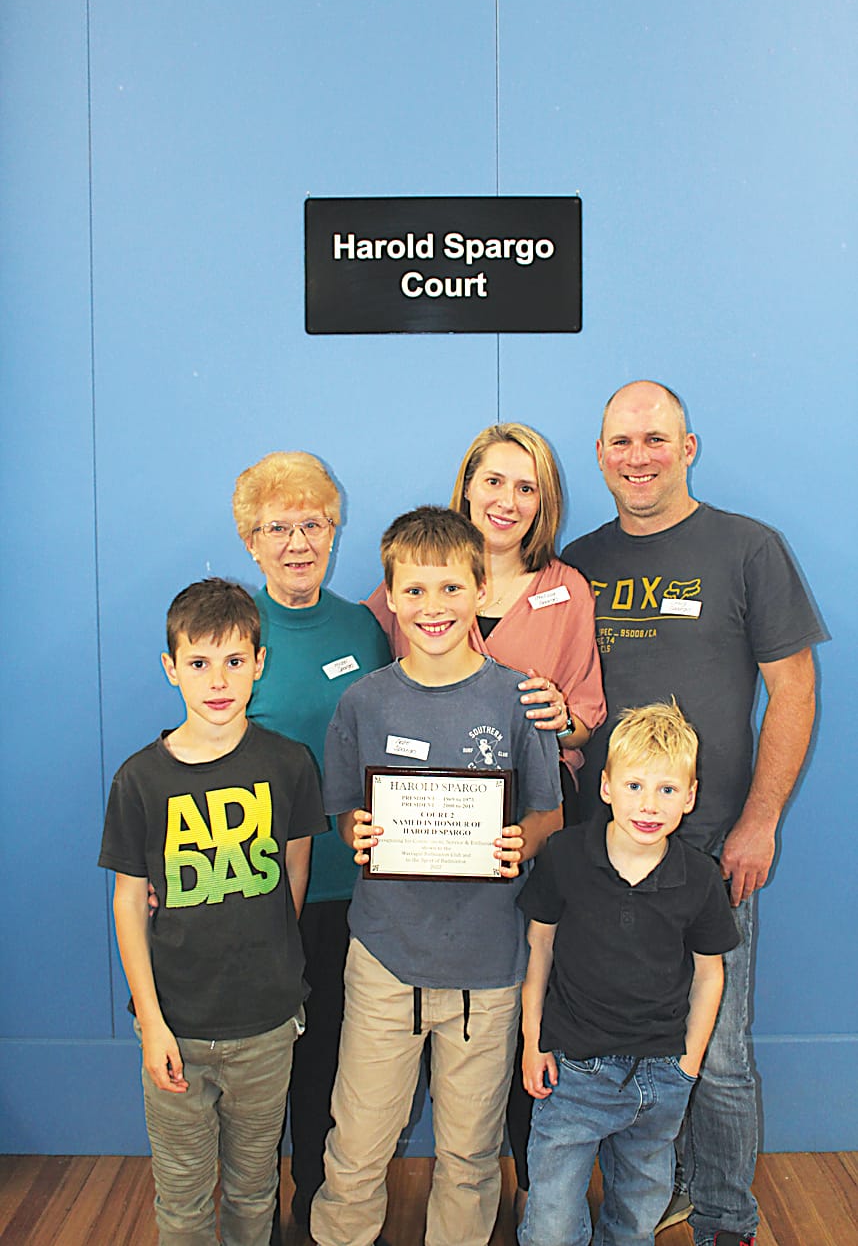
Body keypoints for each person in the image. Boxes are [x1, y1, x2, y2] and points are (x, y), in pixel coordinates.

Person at [562, 381, 825, 1246]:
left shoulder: (749, 549)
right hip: (600, 856)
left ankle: (726, 1214)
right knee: (625, 1038)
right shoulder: (579, 562)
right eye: (621, 442)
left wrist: (761, 820)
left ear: (689, 446)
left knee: (717, 1053)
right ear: (600, 455)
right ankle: (654, 1191)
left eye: (656, 438)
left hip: (711, 850)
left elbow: (793, 688)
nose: (638, 455)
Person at [364, 422, 607, 1208]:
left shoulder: (568, 589)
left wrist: (559, 711)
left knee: (522, 1008)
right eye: (493, 481)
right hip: (424, 842)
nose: (506, 500)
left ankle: (537, 1203)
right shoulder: (412, 580)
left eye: (526, 486)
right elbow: (378, 703)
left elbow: (586, 720)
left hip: (531, 830)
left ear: (545, 503)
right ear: (465, 484)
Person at [310, 506, 563, 1246]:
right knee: (356, 1146)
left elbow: (549, 816)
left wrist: (521, 839)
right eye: (414, 591)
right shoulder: (362, 701)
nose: (432, 607)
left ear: (481, 591)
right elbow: (345, 815)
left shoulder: (518, 700)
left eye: (451, 588)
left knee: (470, 1153)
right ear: (389, 596)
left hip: (487, 967)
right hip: (386, 957)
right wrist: (355, 829)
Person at [98, 578, 326, 1245]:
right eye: (198, 662)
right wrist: (151, 1025)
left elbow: (295, 874)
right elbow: (127, 903)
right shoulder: (139, 779)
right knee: (184, 1199)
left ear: (260, 662)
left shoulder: (289, 765)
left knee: (255, 1192)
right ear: (171, 668)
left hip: (266, 1026)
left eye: (234, 661)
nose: (217, 679)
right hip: (178, 1030)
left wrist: (272, 973)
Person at [231, 451, 391, 1233]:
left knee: (334, 1067)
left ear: (335, 530)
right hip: (262, 896)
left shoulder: (363, 624)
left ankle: (323, 1215)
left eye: (314, 523)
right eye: (278, 527)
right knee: (269, 1072)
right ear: (250, 541)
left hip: (356, 888)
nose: (298, 541)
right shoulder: (237, 632)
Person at [518, 699, 740, 1246]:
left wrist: (687, 1064)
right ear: (606, 786)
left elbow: (709, 975)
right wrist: (531, 1040)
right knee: (550, 1223)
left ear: (689, 797)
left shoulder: (700, 879)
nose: (649, 804)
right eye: (635, 786)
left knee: (638, 1215)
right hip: (572, 1072)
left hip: (661, 1075)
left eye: (667, 790)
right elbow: (539, 949)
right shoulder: (565, 857)